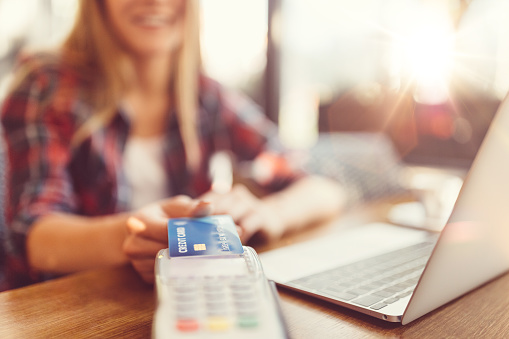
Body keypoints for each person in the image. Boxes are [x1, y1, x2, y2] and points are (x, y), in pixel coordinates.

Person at [0, 0, 345, 290]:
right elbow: (36, 238)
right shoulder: (45, 85)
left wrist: (269, 214)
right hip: (67, 311)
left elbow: (324, 186)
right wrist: (134, 233)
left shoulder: (207, 97)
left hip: (183, 300)